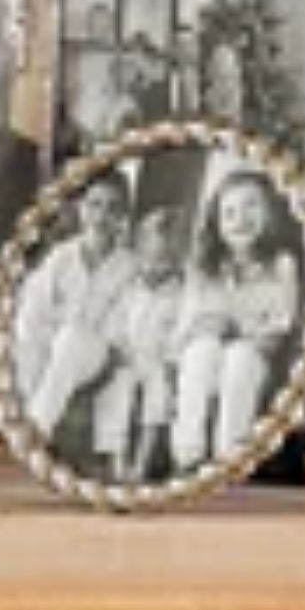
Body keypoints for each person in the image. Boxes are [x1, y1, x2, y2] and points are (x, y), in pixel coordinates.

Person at [173, 165, 305, 468]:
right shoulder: (204, 269)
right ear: (217, 223)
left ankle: (230, 454)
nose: (241, 220)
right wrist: (204, 328)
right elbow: (188, 323)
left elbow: (280, 324)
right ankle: (187, 450)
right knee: (201, 350)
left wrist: (240, 332)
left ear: (269, 214)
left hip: (256, 357)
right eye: (229, 213)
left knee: (240, 356)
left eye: (252, 206)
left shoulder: (281, 264)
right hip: (207, 358)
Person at [10, 167, 140, 458]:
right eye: (94, 205)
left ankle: (37, 430)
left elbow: (122, 325)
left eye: (112, 208)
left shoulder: (131, 267)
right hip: (55, 349)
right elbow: (35, 308)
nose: (101, 216)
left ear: (123, 215)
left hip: (95, 352)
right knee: (28, 340)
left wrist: (77, 332)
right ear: (80, 208)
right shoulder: (62, 257)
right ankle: (31, 417)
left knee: (72, 337)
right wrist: (41, 335)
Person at [99, 198, 194, 486]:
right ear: (138, 255)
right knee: (117, 391)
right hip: (128, 355)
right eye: (149, 258)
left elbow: (184, 328)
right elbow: (113, 322)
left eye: (164, 260)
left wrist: (171, 358)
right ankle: (117, 460)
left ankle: (142, 461)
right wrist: (116, 346)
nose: (154, 267)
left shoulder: (182, 293)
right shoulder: (129, 289)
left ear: (178, 258)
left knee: (157, 394)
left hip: (158, 359)